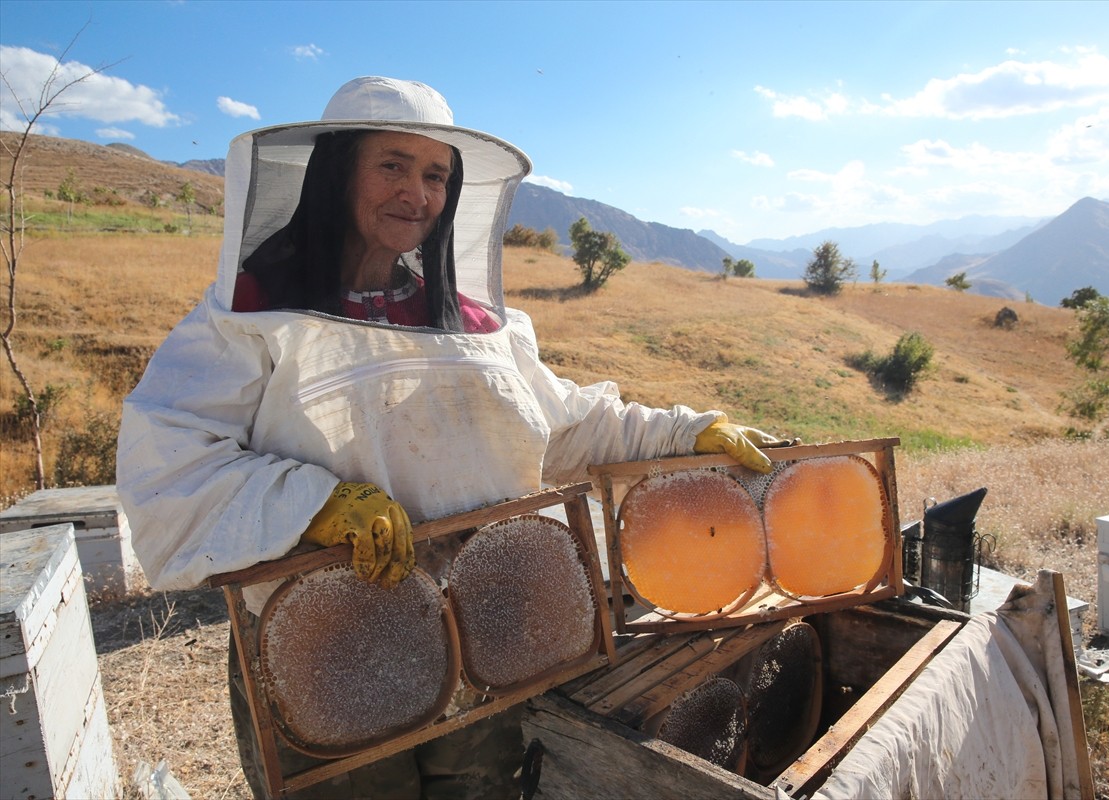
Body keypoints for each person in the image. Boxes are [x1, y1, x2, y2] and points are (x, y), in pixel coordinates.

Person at [116, 76, 781, 799]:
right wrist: (315, 505)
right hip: (330, 651)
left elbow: (565, 423)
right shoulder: (249, 313)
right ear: (338, 173)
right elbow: (168, 459)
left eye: (436, 175)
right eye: (393, 166)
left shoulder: (471, 321)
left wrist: (690, 430)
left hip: (484, 635)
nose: (418, 193)